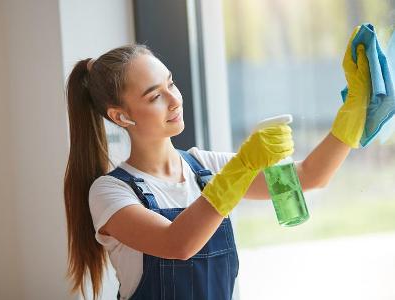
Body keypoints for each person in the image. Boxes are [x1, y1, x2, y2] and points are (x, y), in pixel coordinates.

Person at [63, 26, 370, 300]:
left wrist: (353, 113)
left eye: (171, 83)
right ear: (121, 116)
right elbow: (177, 244)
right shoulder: (109, 192)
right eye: (154, 96)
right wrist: (242, 167)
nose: (174, 100)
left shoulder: (204, 166)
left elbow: (309, 176)